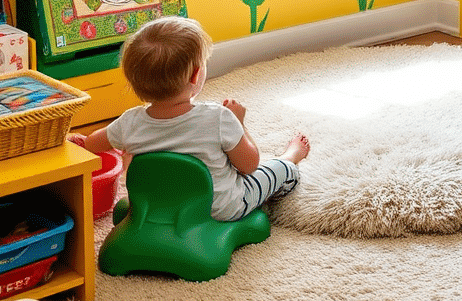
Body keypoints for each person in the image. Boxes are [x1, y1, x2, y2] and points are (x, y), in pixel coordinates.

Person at [73, 16, 310, 222]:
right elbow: (249, 165)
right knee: (275, 170)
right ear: (197, 74)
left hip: (156, 207)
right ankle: (290, 157)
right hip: (219, 208)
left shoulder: (128, 123)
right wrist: (239, 123)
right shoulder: (219, 118)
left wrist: (82, 142)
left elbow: (91, 145)